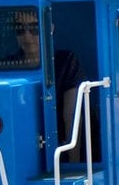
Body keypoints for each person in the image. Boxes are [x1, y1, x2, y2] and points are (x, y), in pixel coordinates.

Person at [6, 8, 85, 159]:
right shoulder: (7, 65)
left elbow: (71, 114)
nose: (27, 36)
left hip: (56, 148)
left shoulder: (66, 61)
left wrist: (73, 160)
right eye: (20, 30)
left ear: (50, 29)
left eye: (35, 28)